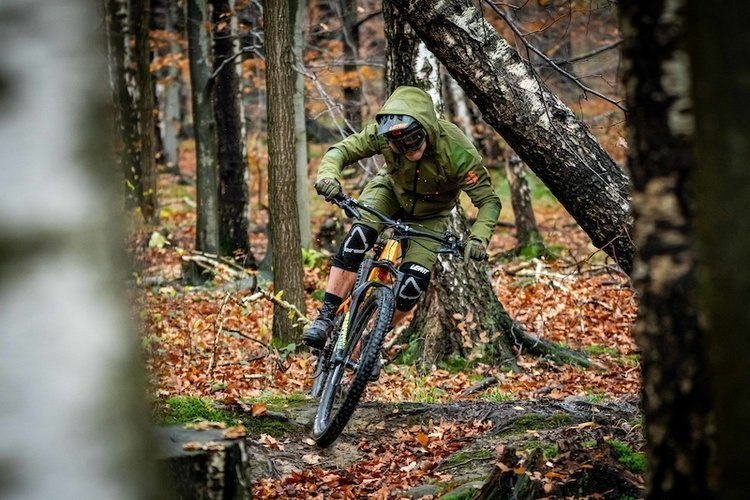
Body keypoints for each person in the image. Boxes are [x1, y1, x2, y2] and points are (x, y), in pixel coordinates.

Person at [303, 86, 501, 374]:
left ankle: (373, 341)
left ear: (427, 129)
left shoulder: (457, 150)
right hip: (389, 193)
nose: (408, 149)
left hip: (430, 216)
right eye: (399, 145)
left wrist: (479, 238)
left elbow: (489, 201)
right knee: (358, 238)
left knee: (412, 285)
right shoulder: (382, 134)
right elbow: (342, 150)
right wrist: (328, 176)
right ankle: (326, 316)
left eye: (413, 140)